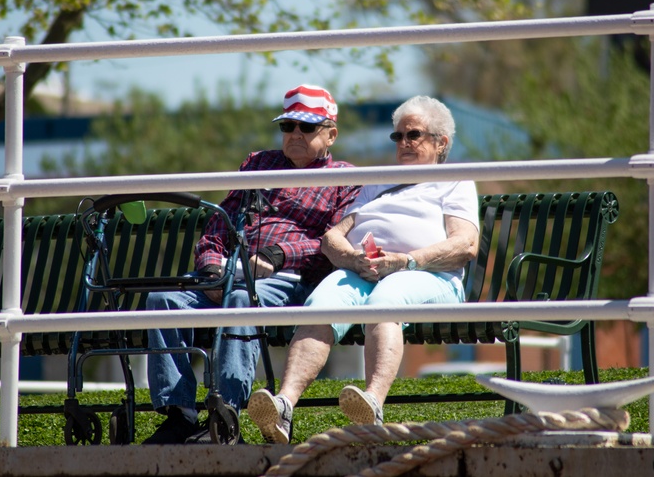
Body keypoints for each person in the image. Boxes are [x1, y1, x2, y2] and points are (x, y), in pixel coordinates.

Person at [247, 95, 480, 443]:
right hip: (366, 271)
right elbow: (331, 238)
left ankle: (372, 403)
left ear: (440, 142)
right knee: (321, 304)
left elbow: (464, 245)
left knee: (387, 298)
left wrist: (406, 261)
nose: (403, 143)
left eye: (412, 135)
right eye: (397, 136)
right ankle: (284, 406)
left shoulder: (454, 180)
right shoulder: (377, 182)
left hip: (429, 275)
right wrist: (354, 260)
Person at [143, 84, 359, 444]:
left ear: (331, 134)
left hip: (289, 279)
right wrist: (211, 267)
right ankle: (178, 416)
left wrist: (278, 256)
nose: (294, 134)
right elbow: (217, 226)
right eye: (287, 126)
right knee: (161, 301)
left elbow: (334, 244)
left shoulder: (344, 178)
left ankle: (226, 416)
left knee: (242, 301)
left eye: (306, 128)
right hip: (230, 272)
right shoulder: (258, 164)